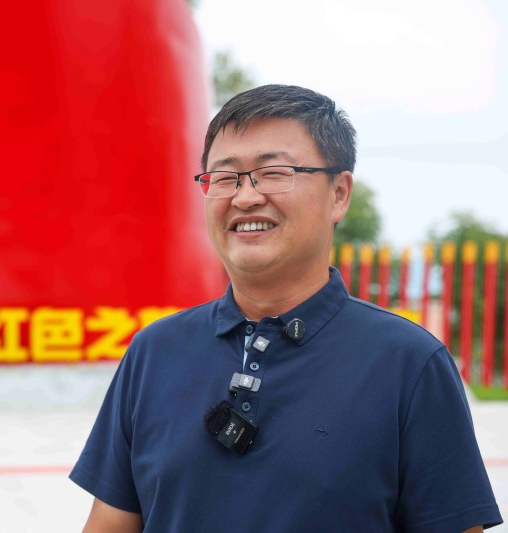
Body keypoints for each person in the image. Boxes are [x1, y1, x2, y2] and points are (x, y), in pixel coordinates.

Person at [69, 84, 503, 532]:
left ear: (339, 194)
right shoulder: (155, 351)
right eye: (225, 177)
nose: (245, 197)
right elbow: (110, 523)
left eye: (273, 172)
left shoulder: (409, 363)